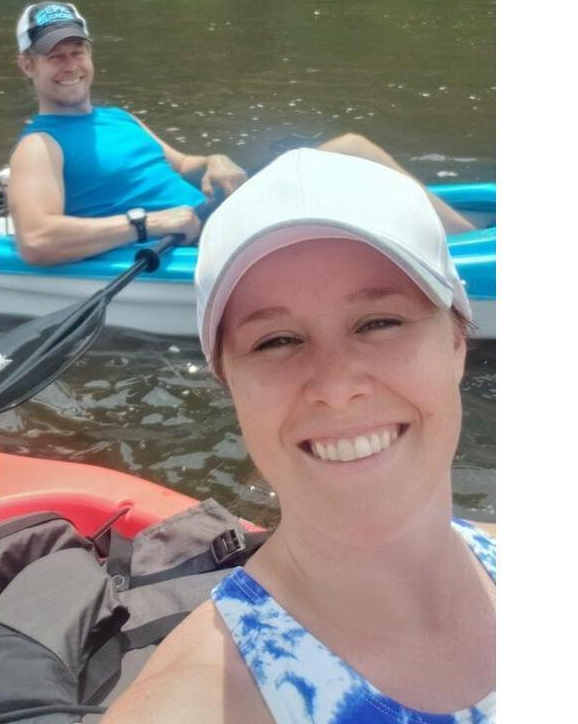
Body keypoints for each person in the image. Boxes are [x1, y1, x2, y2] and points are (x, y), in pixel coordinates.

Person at [101, 148, 495, 724]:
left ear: (457, 344)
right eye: (276, 341)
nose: (336, 387)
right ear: (230, 385)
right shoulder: (199, 703)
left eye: (379, 322)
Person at [6, 0, 476, 267]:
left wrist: (212, 159)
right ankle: (464, 254)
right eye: (54, 56)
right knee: (350, 152)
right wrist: (148, 223)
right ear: (28, 65)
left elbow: (184, 165)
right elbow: (37, 240)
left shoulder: (120, 118)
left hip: (222, 212)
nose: (70, 66)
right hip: (199, 242)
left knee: (352, 150)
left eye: (77, 51)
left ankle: (465, 244)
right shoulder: (38, 146)